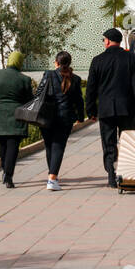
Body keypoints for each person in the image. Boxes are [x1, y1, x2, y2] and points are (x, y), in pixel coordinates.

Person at [86, 27, 135, 188]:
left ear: (107, 41)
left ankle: (111, 175)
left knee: (108, 143)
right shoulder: (130, 58)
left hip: (106, 110)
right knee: (127, 142)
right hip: (126, 108)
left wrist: (91, 111)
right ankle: (126, 173)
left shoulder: (97, 60)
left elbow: (91, 89)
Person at [0, 50, 34, 188]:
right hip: (17, 116)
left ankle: (5, 170)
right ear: (20, 61)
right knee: (13, 146)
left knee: (3, 145)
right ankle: (8, 175)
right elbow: (29, 100)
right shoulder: (24, 79)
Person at [37, 50, 85, 191]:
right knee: (58, 146)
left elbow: (39, 93)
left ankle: (52, 176)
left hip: (47, 116)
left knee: (49, 146)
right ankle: (52, 178)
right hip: (65, 118)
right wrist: (81, 117)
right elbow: (79, 100)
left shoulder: (49, 75)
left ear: (56, 62)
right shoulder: (75, 79)